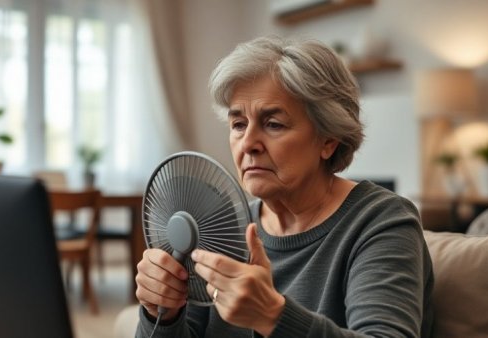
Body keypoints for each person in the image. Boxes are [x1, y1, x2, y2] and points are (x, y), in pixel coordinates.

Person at [135, 35, 434, 338]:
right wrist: (161, 312)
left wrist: (272, 316)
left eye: (273, 124)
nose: (248, 143)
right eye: (238, 125)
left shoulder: (380, 221)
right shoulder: (221, 230)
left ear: (328, 141)